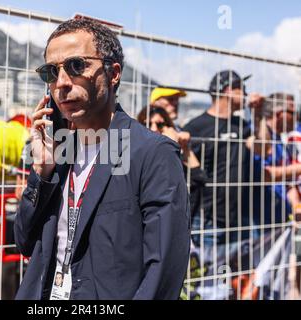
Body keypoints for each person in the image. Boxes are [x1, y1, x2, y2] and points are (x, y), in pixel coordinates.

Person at [15, 18, 190, 300]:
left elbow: (164, 270)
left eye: (76, 66)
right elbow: (25, 243)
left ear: (113, 73)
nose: (61, 83)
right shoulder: (57, 155)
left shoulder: (152, 153)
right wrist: (42, 174)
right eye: (51, 71)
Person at [183, 70, 253, 247]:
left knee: (238, 273)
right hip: (207, 218)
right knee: (208, 273)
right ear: (228, 90)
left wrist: (257, 115)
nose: (246, 94)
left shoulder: (242, 126)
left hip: (239, 218)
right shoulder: (196, 127)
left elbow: (261, 147)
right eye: (242, 89)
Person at [137, 106, 207, 219]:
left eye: (160, 124)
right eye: (148, 124)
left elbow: (200, 178)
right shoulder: (139, 153)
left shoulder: (174, 151)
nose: (154, 128)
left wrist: (184, 147)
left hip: (184, 219)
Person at [247, 93, 297, 226]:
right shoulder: (256, 135)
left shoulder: (279, 140)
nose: (296, 117)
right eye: (293, 112)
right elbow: (264, 174)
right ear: (280, 113)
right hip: (261, 219)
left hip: (279, 216)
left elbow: (287, 182)